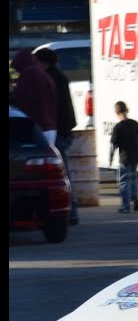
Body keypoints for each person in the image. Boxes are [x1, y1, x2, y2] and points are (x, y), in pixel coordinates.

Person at [34, 47, 80, 225]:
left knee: (61, 175)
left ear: (43, 62)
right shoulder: (60, 77)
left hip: (58, 131)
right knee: (65, 172)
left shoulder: (49, 79)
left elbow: (52, 108)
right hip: (65, 130)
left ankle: (71, 212)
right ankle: (72, 212)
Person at [108, 101, 138, 213]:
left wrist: (110, 159)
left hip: (124, 158)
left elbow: (113, 145)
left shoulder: (118, 127)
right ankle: (135, 199)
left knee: (124, 181)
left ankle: (125, 206)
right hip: (136, 157)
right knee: (133, 179)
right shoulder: (135, 123)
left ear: (116, 112)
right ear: (126, 110)